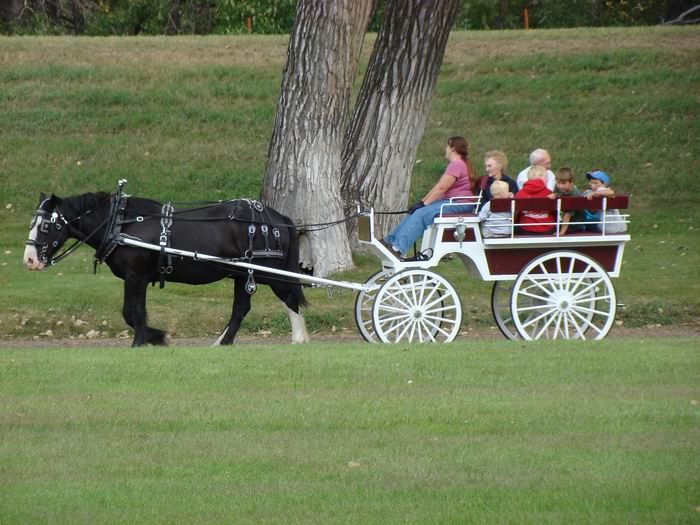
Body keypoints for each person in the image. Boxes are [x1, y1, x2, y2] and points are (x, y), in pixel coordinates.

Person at [383, 136, 476, 257]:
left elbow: (441, 189)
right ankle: (389, 241)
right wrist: (422, 202)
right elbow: (439, 187)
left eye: (447, 146)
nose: (445, 149)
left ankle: (397, 248)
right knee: (417, 211)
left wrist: (424, 205)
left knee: (421, 213)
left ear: (453, 148)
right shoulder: (460, 164)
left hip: (459, 203)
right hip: (454, 202)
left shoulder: (457, 164)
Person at [514, 165, 556, 235]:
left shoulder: (520, 194)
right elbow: (555, 213)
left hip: (526, 229)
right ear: (541, 177)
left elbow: (516, 213)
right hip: (547, 229)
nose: (547, 180)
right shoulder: (549, 193)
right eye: (546, 177)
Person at [549, 167, 585, 235]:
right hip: (561, 220)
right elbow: (555, 195)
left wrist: (561, 233)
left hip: (574, 224)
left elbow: (567, 216)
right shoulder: (557, 187)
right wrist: (553, 195)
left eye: (564, 183)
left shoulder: (574, 194)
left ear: (571, 182)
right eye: (558, 183)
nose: (560, 186)